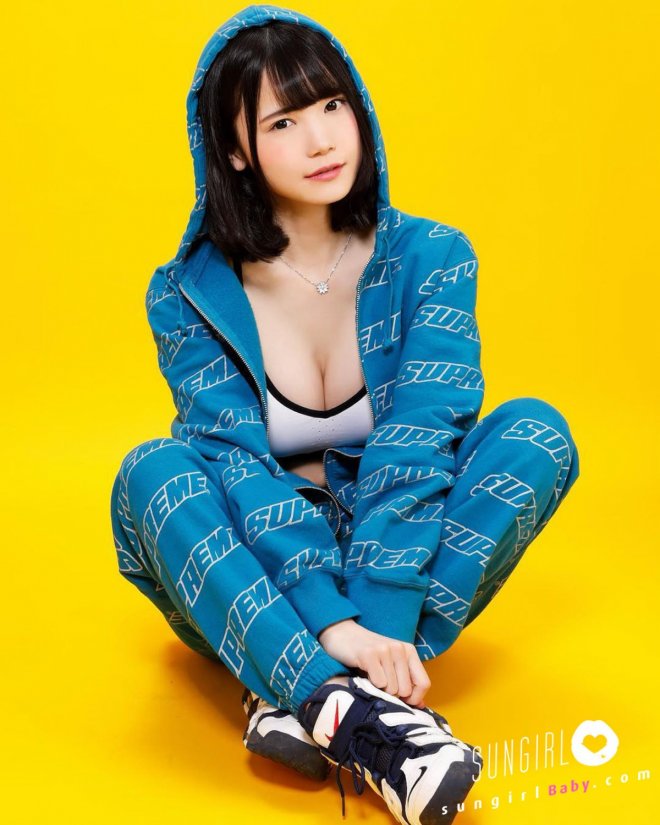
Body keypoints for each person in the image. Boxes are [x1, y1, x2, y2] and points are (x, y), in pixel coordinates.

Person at [110, 5, 580, 823]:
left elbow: (421, 439)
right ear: (234, 151)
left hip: (397, 554)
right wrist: (330, 623)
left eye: (333, 105)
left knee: (538, 433)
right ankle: (360, 709)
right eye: (283, 122)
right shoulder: (185, 293)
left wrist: (379, 618)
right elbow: (235, 466)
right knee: (151, 471)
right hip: (251, 568)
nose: (323, 139)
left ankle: (300, 691)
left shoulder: (433, 257)